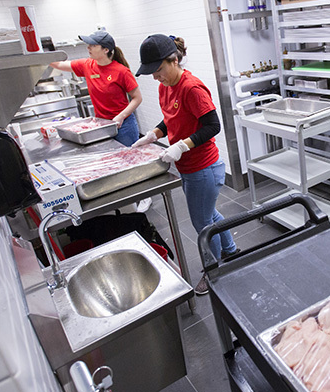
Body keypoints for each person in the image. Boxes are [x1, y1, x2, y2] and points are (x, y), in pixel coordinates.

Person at [131, 34, 238, 295]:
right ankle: (232, 251)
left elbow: (213, 125)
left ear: (174, 60)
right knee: (209, 214)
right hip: (189, 168)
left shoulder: (191, 88)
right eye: (152, 74)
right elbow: (172, 120)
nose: (157, 78)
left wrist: (181, 145)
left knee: (202, 223)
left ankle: (214, 271)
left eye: (159, 71)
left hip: (204, 168)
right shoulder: (165, 87)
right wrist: (153, 135)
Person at [50, 30, 142, 147]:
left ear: (106, 50)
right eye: (88, 45)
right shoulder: (87, 65)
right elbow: (59, 65)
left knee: (129, 158)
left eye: (93, 45)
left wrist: (121, 116)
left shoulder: (121, 71)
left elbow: (137, 98)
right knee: (112, 160)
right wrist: (42, 57)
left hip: (123, 125)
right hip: (102, 125)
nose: (88, 48)